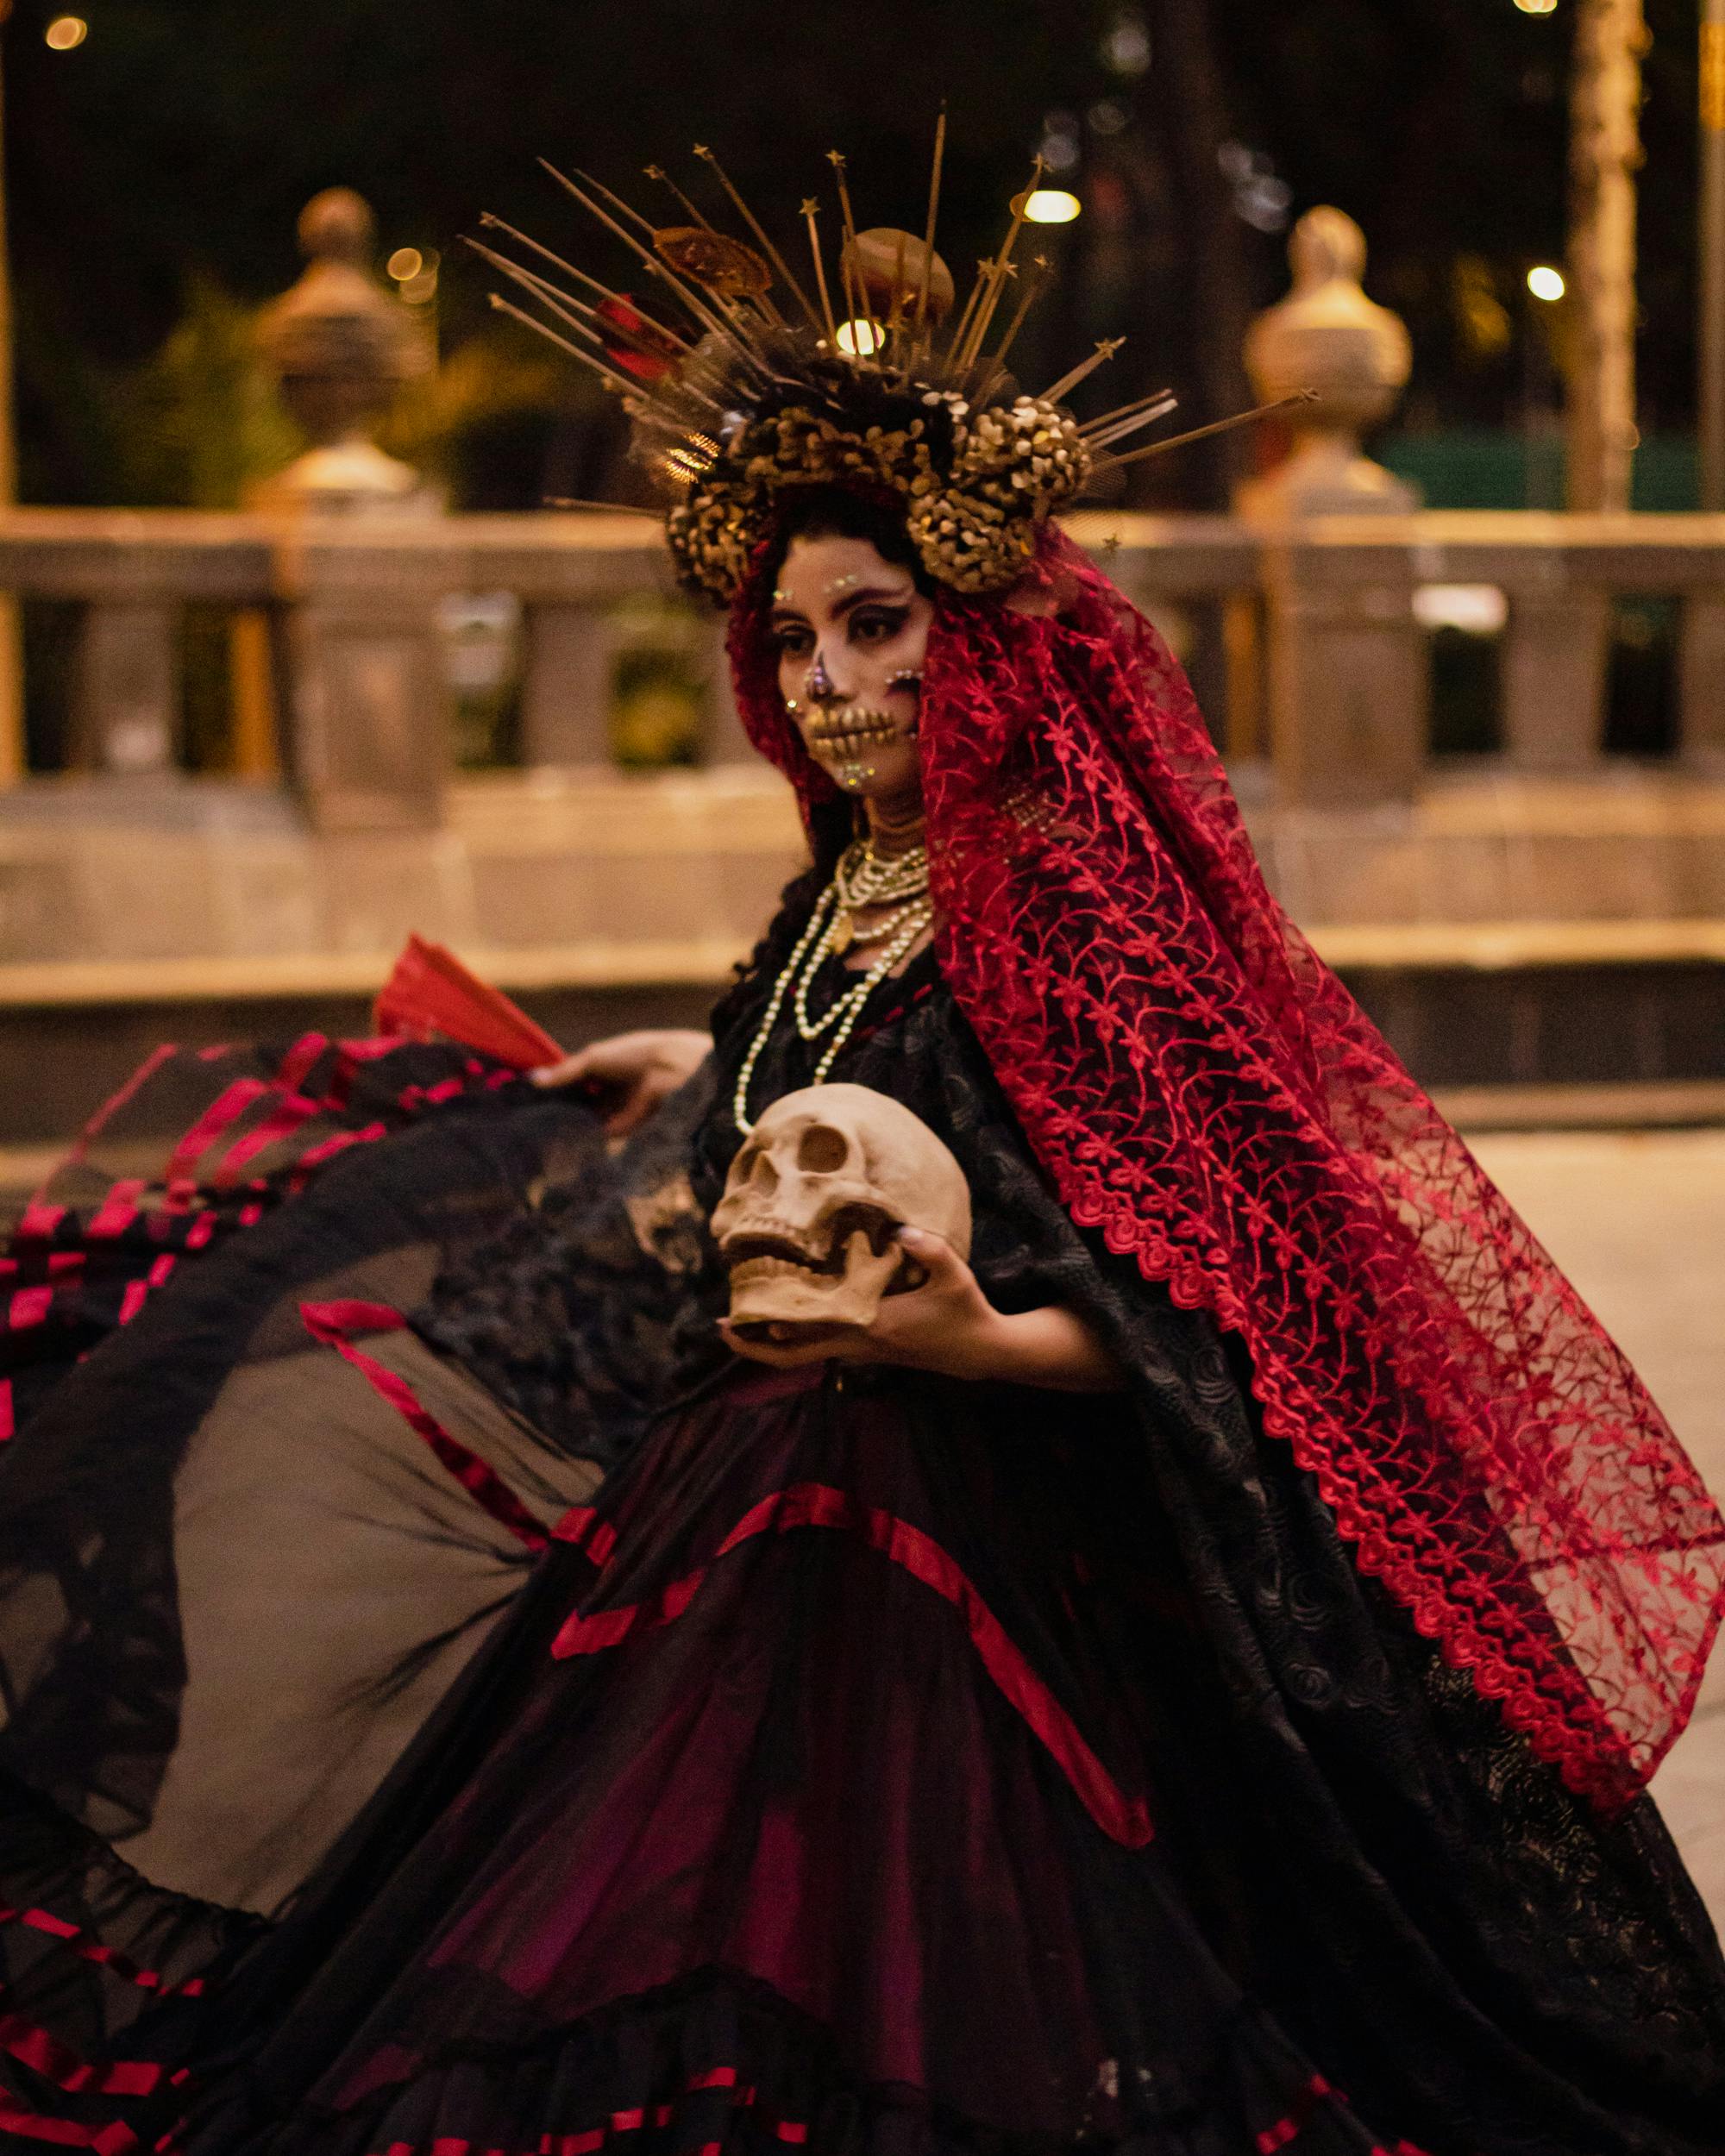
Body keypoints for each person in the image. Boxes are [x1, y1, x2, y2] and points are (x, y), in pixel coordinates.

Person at [0, 149, 1722, 2156]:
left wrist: (976, 1341)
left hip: (1014, 1550)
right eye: (795, 642)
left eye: (873, 626)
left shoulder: (1079, 917)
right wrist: (692, 1066)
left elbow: (1230, 1309)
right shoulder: (853, 888)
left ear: (983, 640)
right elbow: (800, 1060)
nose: (826, 687)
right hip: (753, 1483)